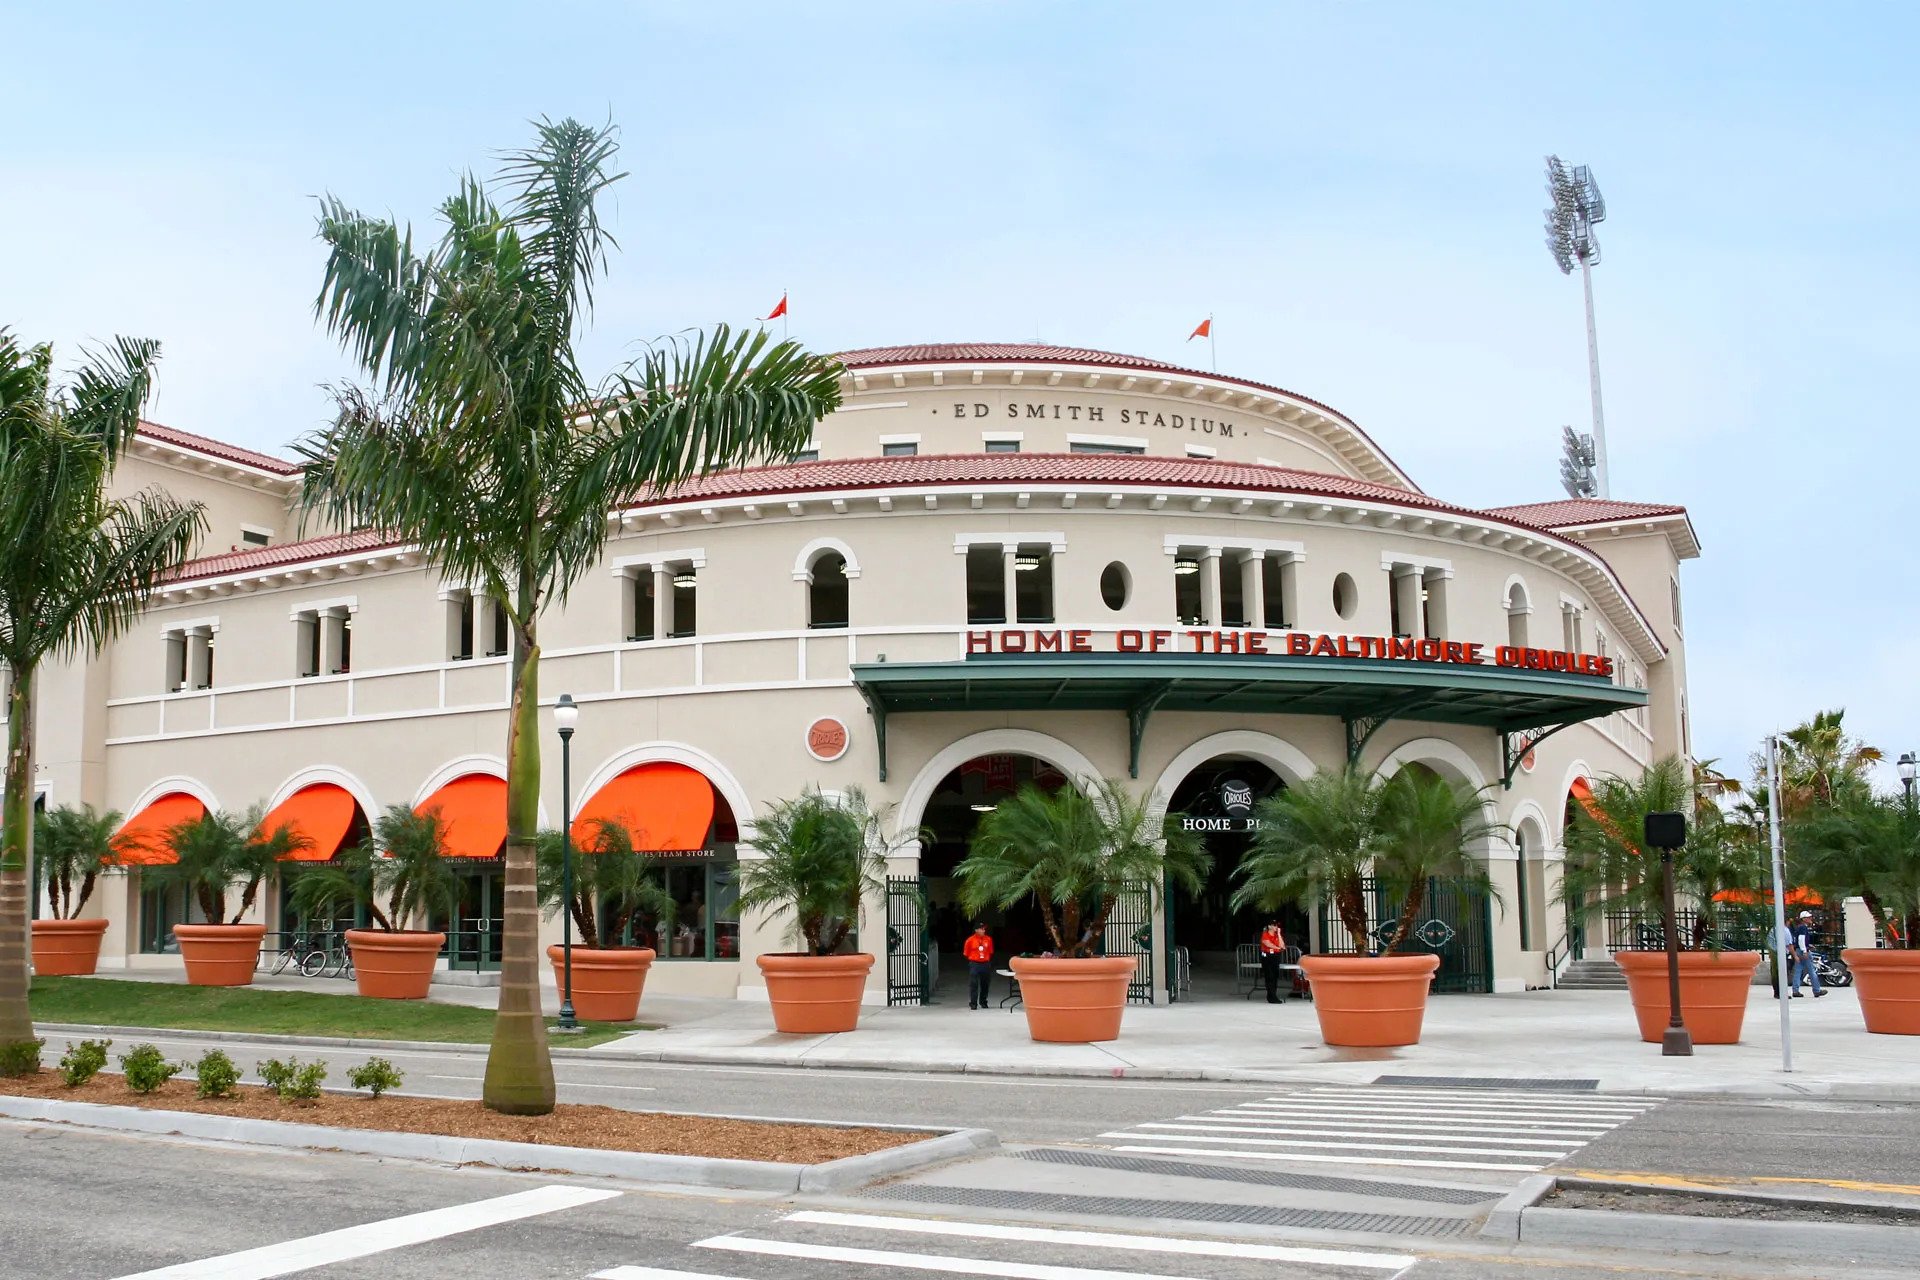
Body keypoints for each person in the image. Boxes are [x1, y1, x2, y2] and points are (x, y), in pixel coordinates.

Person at [1789, 909, 1826, 998]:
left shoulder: (1799, 927)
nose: (1810, 918)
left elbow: (1799, 940)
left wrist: (1807, 945)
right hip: (1803, 951)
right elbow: (1801, 940)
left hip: (1798, 950)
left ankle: (1795, 990)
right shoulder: (1803, 928)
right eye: (1808, 917)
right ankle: (1816, 990)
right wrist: (1805, 950)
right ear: (1804, 919)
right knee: (1812, 970)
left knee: (1798, 971)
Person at [964, 922, 995, 1010]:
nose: (983, 930)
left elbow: (990, 951)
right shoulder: (970, 940)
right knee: (973, 984)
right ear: (976, 930)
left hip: (985, 963)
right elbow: (966, 953)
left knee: (985, 984)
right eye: (981, 929)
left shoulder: (988, 939)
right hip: (975, 963)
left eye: (984, 929)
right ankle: (973, 1003)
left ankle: (983, 1001)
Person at [1258, 917, 1289, 1004]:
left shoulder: (1277, 936)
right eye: (1274, 925)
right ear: (1269, 926)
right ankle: (1271, 996)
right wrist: (1278, 948)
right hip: (1267, 956)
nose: (1276, 927)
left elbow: (1282, 945)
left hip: (1275, 956)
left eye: (1277, 926)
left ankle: (1273, 995)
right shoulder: (1265, 934)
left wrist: (1279, 934)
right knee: (1269, 976)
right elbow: (1268, 944)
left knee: (1275, 976)